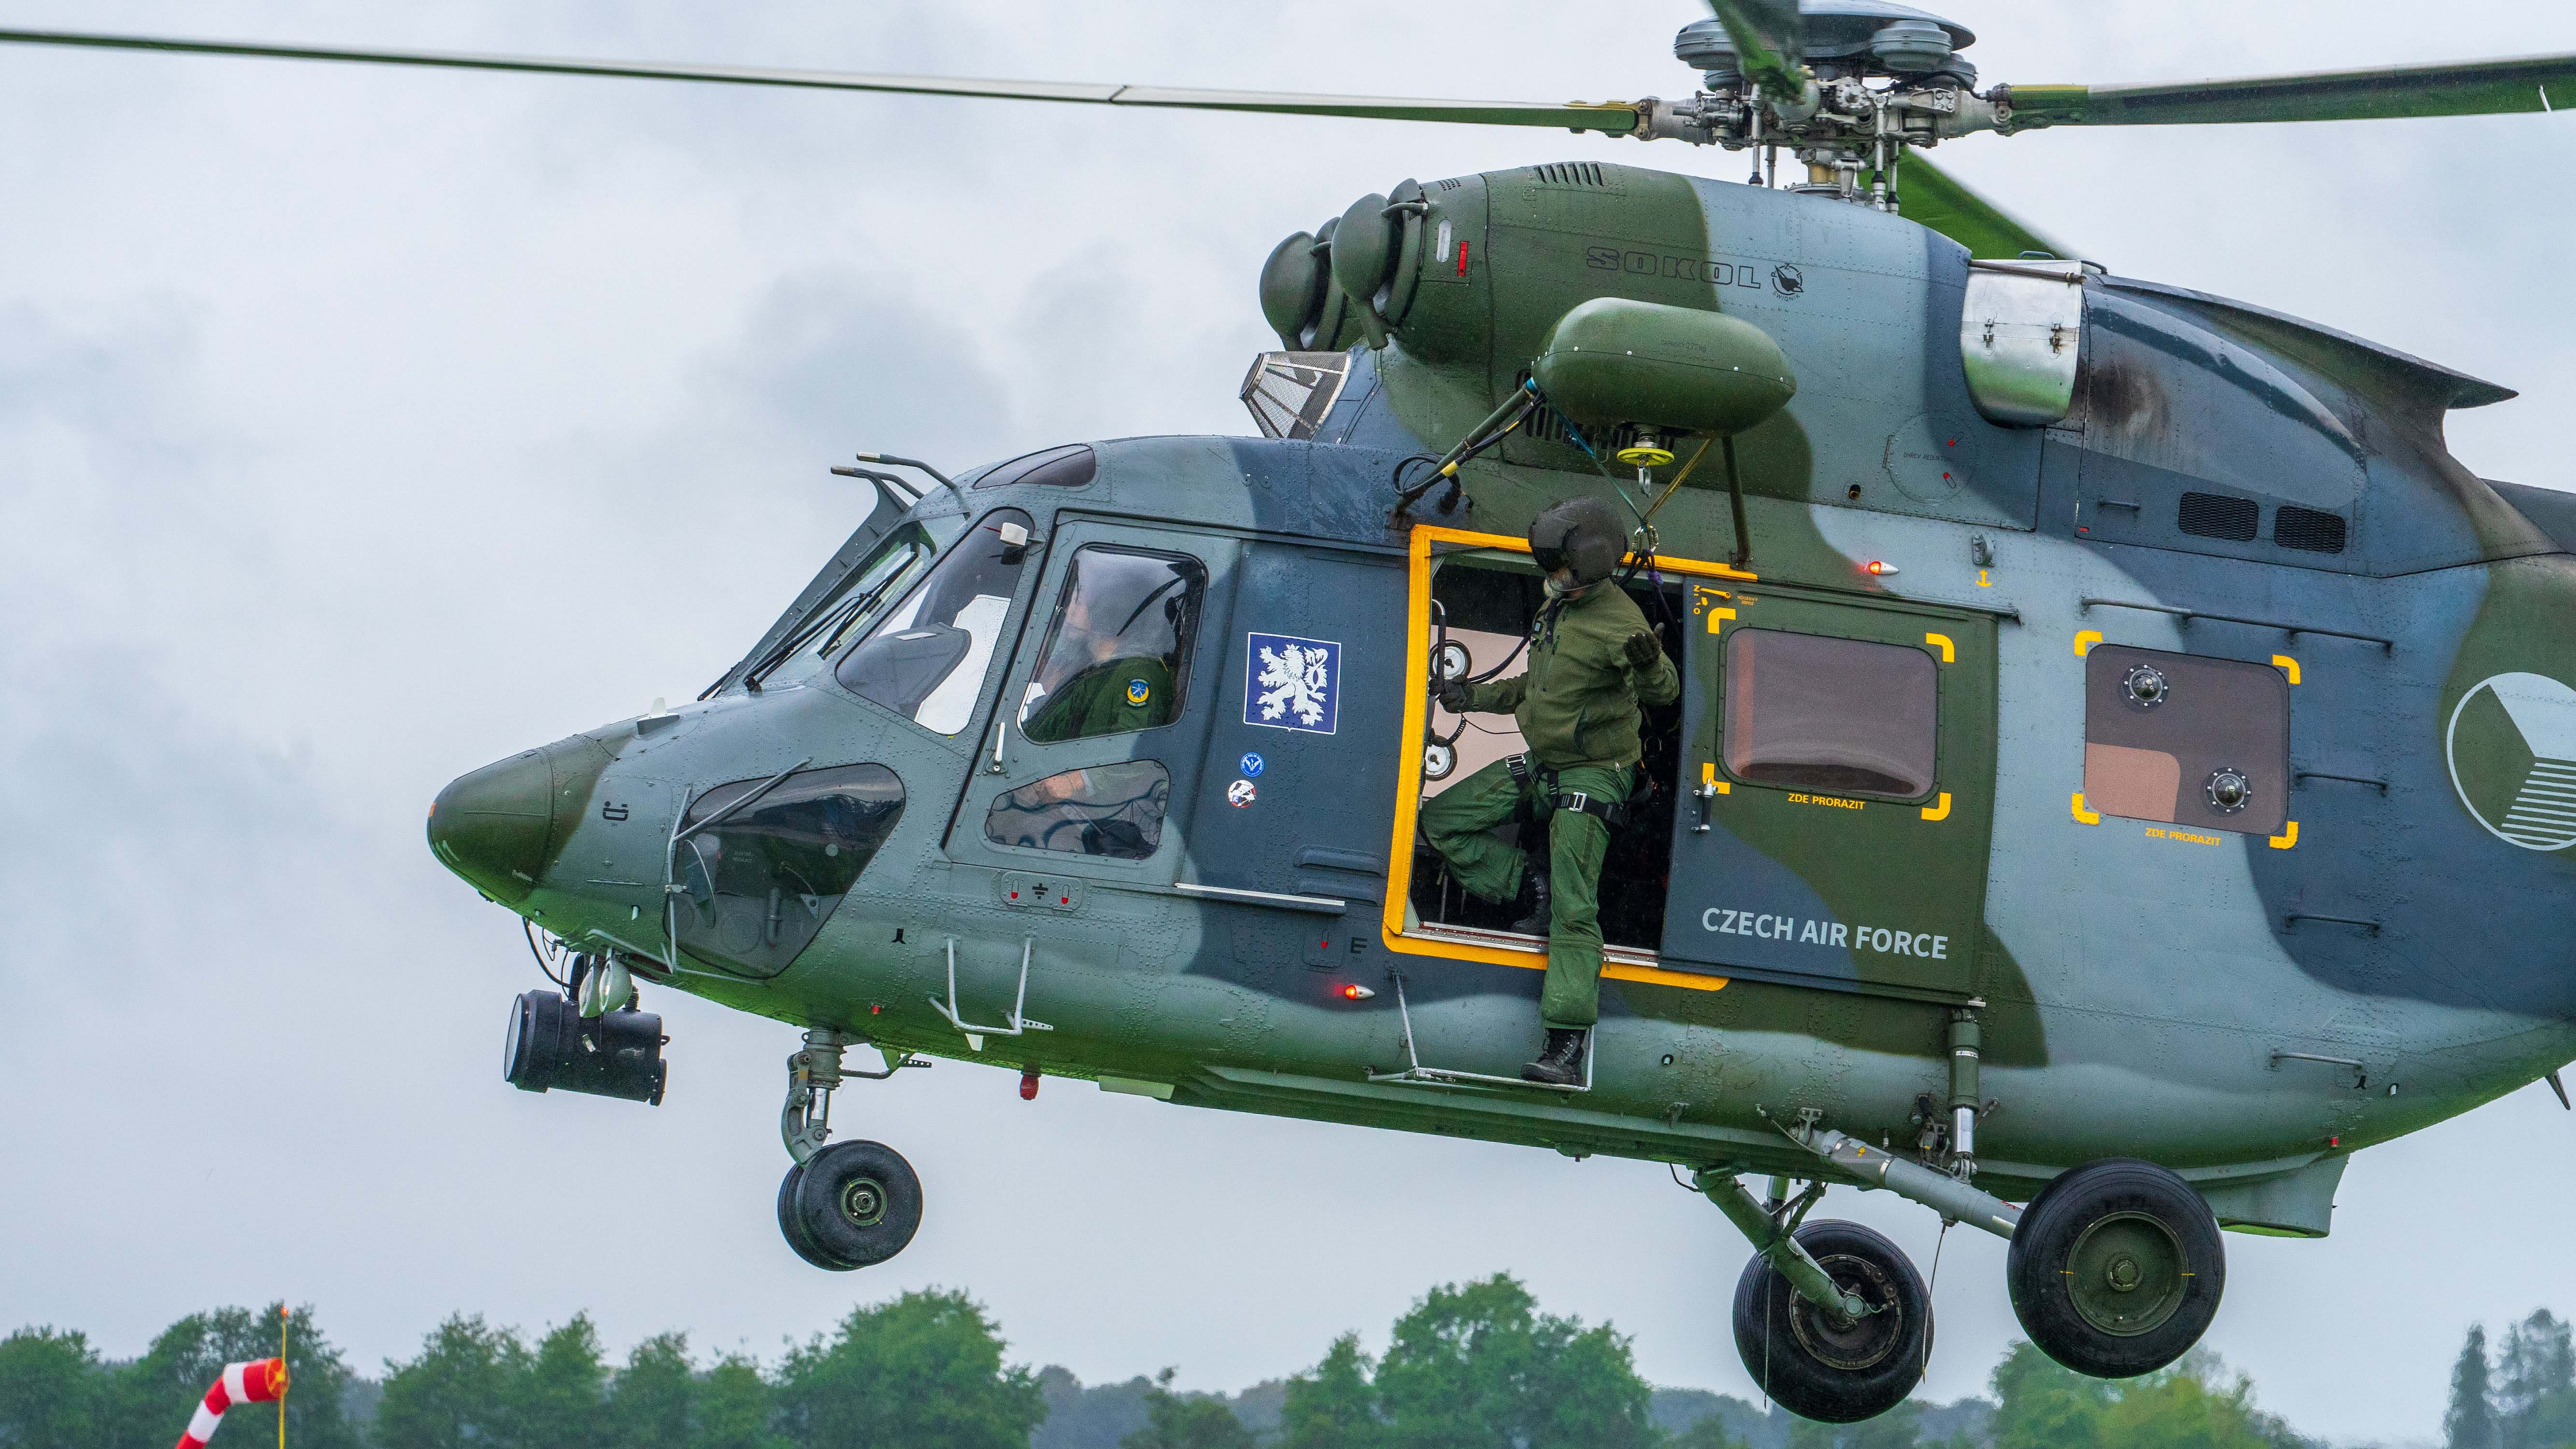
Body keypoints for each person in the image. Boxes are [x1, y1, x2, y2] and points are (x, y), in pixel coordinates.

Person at [1421, 496, 1678, 1085]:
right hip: (1545, 763)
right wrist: (1472, 696)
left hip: (1594, 773)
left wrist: (1649, 664)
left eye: (1559, 567)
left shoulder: (1619, 623)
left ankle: (1565, 1043)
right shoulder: (1558, 606)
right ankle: (1528, 885)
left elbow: (1663, 692)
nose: (1552, 575)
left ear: (1586, 563)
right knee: (1442, 820)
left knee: (1574, 908)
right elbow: (1536, 686)